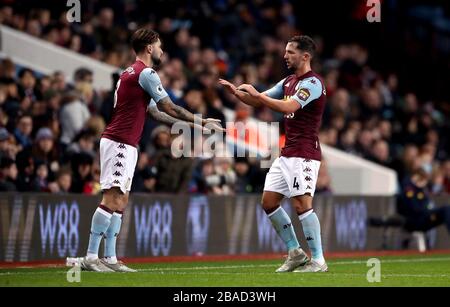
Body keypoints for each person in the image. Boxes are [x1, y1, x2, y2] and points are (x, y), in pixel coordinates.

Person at [69, 28, 223, 272]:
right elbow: (170, 107)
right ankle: (90, 256)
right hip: (119, 141)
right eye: (159, 45)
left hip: (127, 143)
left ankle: (109, 258)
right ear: (150, 47)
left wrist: (192, 126)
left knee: (121, 200)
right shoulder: (146, 73)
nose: (162, 50)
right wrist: (201, 121)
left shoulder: (130, 73)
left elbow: (155, 112)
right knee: (111, 197)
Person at [220, 35, 328, 273]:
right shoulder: (288, 81)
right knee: (269, 202)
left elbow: (288, 106)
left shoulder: (313, 83)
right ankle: (295, 253)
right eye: (286, 51)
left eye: (290, 52)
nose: (285, 56)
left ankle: (318, 260)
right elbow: (260, 101)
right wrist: (237, 94)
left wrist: (257, 95)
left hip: (305, 153)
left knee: (302, 204)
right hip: (287, 153)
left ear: (305, 56)